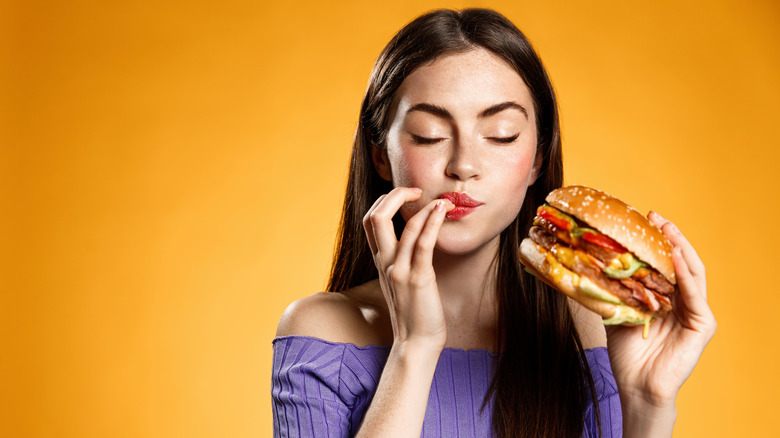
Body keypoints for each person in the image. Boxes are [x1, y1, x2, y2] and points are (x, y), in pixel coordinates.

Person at [271, 8, 715, 438]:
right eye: (429, 135)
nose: (464, 165)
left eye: (501, 134)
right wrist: (415, 349)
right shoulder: (322, 332)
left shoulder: (601, 329)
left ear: (538, 158)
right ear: (379, 155)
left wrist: (649, 405)